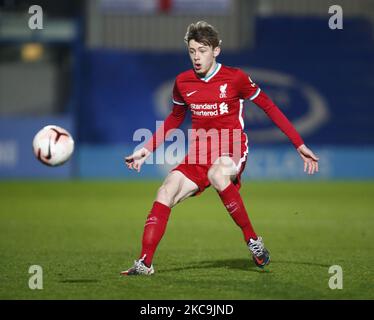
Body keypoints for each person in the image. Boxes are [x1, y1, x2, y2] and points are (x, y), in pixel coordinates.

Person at [121, 21, 319, 276]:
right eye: (192, 51)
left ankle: (252, 241)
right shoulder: (182, 82)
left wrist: (299, 144)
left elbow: (269, 107)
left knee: (217, 174)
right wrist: (147, 149)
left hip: (232, 147)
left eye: (202, 50)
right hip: (199, 153)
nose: (196, 57)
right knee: (165, 191)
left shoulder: (235, 78)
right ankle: (144, 263)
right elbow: (174, 118)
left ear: (216, 50)